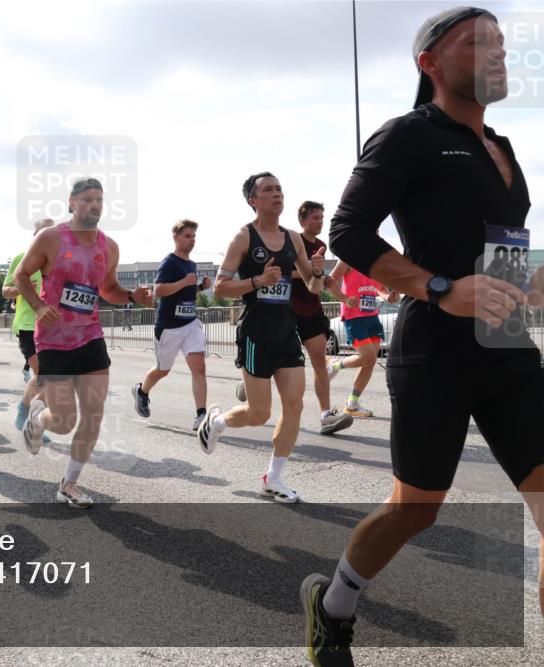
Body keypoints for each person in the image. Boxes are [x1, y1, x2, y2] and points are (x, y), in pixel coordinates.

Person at [300, 8, 544, 665]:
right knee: (416, 509)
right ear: (429, 63)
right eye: (478, 42)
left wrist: (528, 283)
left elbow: (499, 246)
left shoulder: (506, 148)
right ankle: (333, 606)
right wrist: (440, 287)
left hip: (509, 345)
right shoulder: (406, 136)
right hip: (435, 349)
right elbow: (349, 231)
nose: (497, 52)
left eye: (501, 42)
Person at [15, 177, 154, 507]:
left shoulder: (109, 246)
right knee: (63, 422)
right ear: (72, 203)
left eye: (99, 200)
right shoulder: (51, 238)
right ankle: (38, 418)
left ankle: (70, 484)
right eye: (87, 199)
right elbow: (21, 275)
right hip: (52, 340)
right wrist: (38, 305)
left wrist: (132, 297)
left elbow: (108, 290)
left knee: (93, 415)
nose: (94, 205)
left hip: (90, 337)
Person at [199, 172, 326, 504]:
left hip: (286, 329)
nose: (277, 194)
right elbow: (220, 288)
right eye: (268, 190)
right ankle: (218, 422)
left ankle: (274, 476)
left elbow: (313, 288)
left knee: (295, 403)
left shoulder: (293, 239)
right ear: (253, 200)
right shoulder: (244, 237)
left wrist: (318, 270)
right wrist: (257, 281)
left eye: (279, 188)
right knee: (258, 413)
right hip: (255, 331)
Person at [273, 201, 354, 435]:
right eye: (315, 218)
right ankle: (251, 378)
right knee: (279, 361)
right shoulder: (290, 242)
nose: (319, 222)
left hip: (312, 309)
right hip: (288, 309)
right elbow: (282, 274)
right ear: (302, 221)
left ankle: (326, 416)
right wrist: (308, 269)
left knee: (319, 361)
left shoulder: (320, 245)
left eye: (321, 217)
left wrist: (344, 297)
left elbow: (323, 278)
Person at [132, 219, 213, 431]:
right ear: (176, 237)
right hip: (169, 327)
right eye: (187, 236)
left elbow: (185, 292)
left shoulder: (191, 264)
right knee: (163, 370)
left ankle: (201, 416)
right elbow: (158, 290)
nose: (192, 240)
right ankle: (142, 391)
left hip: (190, 324)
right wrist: (184, 282)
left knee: (199, 368)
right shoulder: (169, 262)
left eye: (194, 236)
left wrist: (199, 288)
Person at [326, 261, 400, 417]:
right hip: (354, 317)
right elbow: (329, 282)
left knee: (370, 362)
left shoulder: (374, 263)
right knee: (368, 357)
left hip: (372, 317)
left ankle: (352, 404)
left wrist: (389, 297)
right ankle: (335, 365)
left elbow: (380, 289)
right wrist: (345, 298)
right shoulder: (347, 260)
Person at [3, 218, 54, 435]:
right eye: (42, 233)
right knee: (44, 376)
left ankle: (30, 414)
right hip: (27, 324)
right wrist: (22, 289)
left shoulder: (60, 261)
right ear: (35, 237)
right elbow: (5, 291)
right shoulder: (21, 259)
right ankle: (26, 411)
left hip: (52, 325)